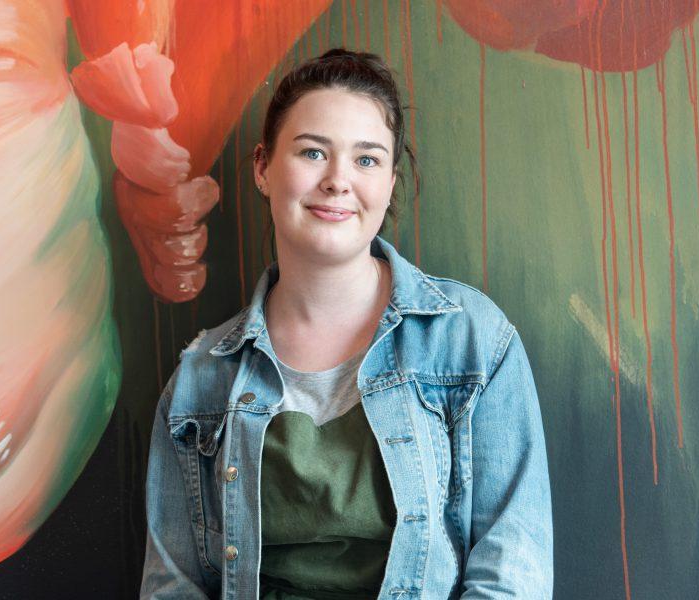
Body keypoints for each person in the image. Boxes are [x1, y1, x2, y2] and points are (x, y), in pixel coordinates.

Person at [140, 48, 552, 599]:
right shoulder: (199, 382)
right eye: (313, 152)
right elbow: (173, 587)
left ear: (389, 183)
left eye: (366, 159)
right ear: (263, 168)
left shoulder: (472, 343)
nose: (338, 180)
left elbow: (512, 569)